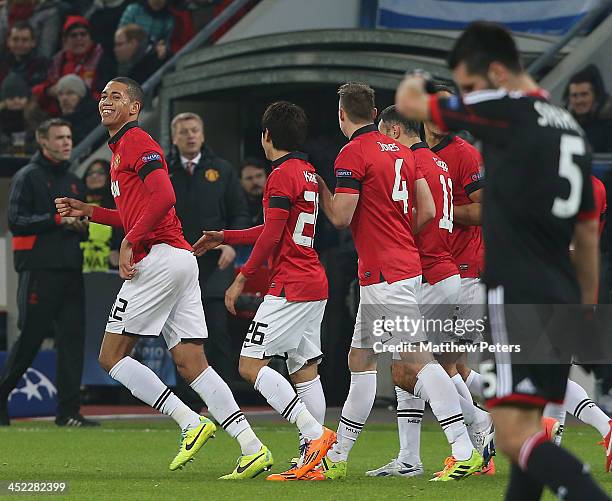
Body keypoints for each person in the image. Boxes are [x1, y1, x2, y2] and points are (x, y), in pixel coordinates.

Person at [395, 21, 608, 499]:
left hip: (516, 292)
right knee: (528, 433)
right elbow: (588, 230)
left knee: (512, 436)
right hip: (562, 293)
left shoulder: (510, 109)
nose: (471, 96)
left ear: (495, 72)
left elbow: (413, 104)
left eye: (470, 86)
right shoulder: (570, 127)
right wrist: (586, 309)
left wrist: (415, 80)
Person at [55, 77, 272, 479]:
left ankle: (189, 422)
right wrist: (90, 209)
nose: (105, 101)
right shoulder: (120, 148)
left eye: (115, 96)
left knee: (111, 357)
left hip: (158, 259)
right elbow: (136, 211)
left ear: (135, 108)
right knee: (192, 363)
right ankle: (252, 446)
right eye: (103, 95)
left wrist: (129, 242)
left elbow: (165, 198)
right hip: (179, 260)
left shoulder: (137, 141)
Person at [311, 83, 481, 482]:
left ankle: (464, 447)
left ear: (342, 116)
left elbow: (339, 216)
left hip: (386, 273)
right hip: (402, 267)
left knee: (417, 362)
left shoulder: (352, 152)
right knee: (361, 360)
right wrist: (399, 233)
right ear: (374, 114)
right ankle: (337, 456)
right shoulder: (406, 153)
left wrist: (319, 186)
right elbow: (426, 209)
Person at [193, 101, 335, 481]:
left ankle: (313, 435)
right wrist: (225, 236)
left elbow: (272, 235)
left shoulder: (280, 175)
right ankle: (313, 463)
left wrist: (241, 277)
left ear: (266, 136)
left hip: (290, 285)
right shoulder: (306, 172)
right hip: (313, 282)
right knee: (305, 370)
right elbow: (272, 227)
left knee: (250, 365)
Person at [365, 105, 493, 479]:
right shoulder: (433, 161)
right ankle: (410, 457)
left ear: (391, 130)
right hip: (441, 272)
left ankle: (478, 423)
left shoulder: (421, 162)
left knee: (416, 369)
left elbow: (424, 213)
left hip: (434, 273)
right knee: (421, 366)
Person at [0, 118, 95, 428]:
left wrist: (82, 227)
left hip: (71, 271)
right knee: (29, 339)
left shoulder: (73, 180)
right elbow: (16, 221)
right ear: (43, 142)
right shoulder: (27, 177)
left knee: (73, 341)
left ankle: (68, 412)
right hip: (39, 271)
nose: (67, 142)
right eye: (59, 138)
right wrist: (58, 221)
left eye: (68, 137)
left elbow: (80, 228)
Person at [168, 112, 249, 384]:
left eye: (195, 131)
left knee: (217, 329)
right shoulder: (163, 171)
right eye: (184, 131)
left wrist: (229, 243)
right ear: (174, 137)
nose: (190, 136)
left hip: (215, 263)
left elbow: (240, 214)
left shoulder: (223, 170)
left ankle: (223, 403)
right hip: (177, 262)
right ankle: (189, 405)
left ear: (202, 135)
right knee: (183, 333)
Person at [32, 15, 114, 115]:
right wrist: (49, 90)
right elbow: (38, 88)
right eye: (73, 35)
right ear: (65, 40)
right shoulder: (58, 61)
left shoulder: (102, 58)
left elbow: (105, 92)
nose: (79, 39)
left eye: (83, 34)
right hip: (59, 110)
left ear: (90, 38)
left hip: (92, 112)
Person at [81, 159, 121, 272]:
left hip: (110, 271)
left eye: (100, 172)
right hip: (78, 270)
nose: (94, 176)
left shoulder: (118, 206)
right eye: (90, 173)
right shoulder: (77, 205)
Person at [565, 65, 612, 153]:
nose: (579, 101)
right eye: (574, 95)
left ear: (596, 96)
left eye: (584, 94)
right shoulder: (563, 125)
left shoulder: (609, 124)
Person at [0, 72, 46, 156]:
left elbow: (43, 142)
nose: (16, 100)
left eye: (21, 96)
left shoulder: (36, 117)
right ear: (4, 99)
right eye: (11, 97)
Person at [0, 21, 47, 88]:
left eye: (25, 40)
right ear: (8, 42)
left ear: (33, 42)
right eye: (15, 39)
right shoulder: (2, 61)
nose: (20, 44)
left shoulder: (41, 64)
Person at [56, 74, 100, 145]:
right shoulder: (59, 124)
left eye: (70, 93)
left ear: (81, 95)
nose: (64, 98)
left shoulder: (98, 115)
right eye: (60, 94)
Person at [239, 157, 268, 226]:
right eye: (249, 178)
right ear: (240, 182)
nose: (255, 182)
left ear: (267, 177)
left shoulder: (276, 202)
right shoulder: (236, 207)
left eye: (259, 176)